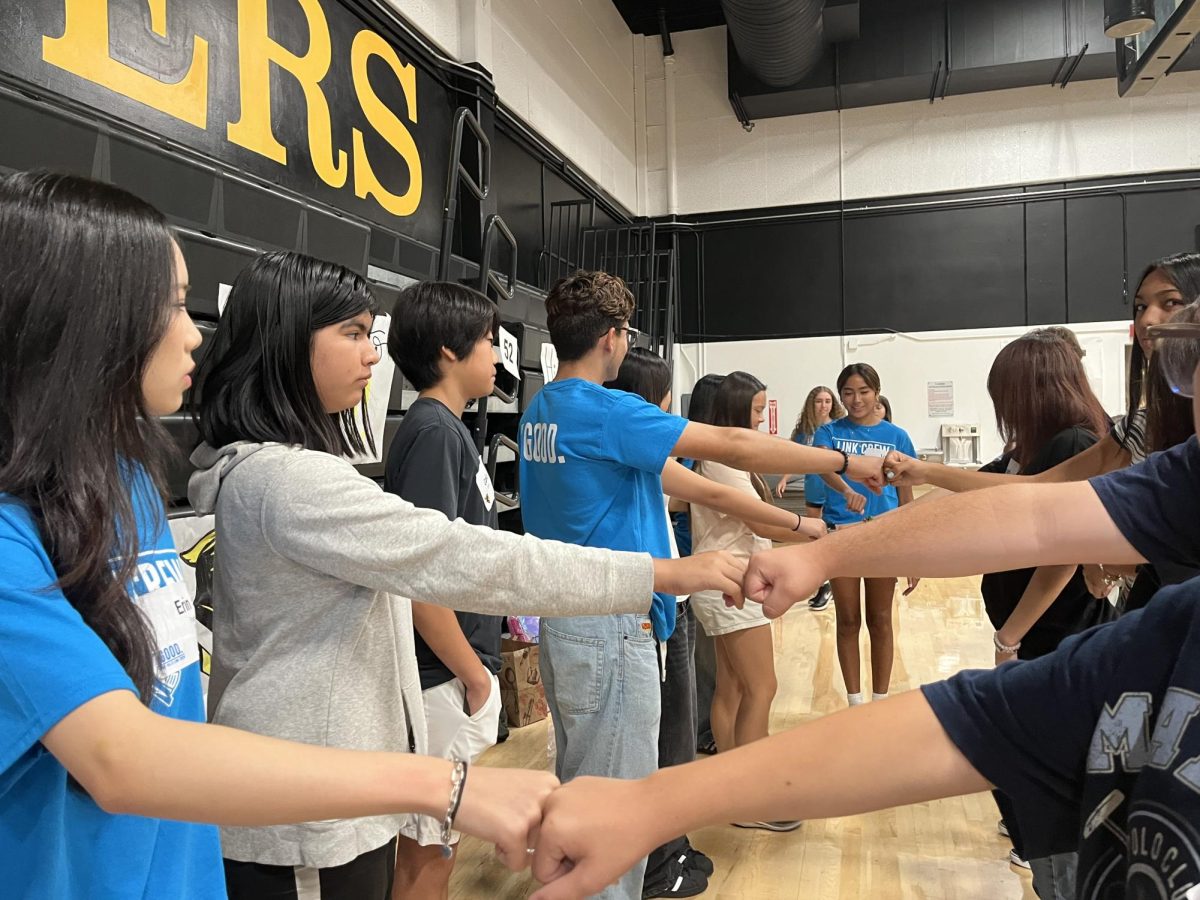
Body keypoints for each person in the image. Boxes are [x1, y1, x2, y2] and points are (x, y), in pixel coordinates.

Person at [0, 170, 568, 900]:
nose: (192, 332)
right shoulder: (284, 479)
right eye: (169, 306)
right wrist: (444, 778)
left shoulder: (128, 484)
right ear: (84, 321)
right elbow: (122, 757)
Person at [523, 311, 1200, 900]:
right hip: (627, 609)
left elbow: (1038, 521)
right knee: (708, 705)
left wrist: (820, 532)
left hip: (622, 607)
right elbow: (1037, 522)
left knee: (696, 711)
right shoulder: (1157, 629)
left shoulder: (548, 411)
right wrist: (821, 533)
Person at [189, 253, 746, 899]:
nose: (370, 356)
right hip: (309, 812)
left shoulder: (289, 471)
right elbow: (461, 560)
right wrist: (663, 572)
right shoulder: (291, 481)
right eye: (349, 333)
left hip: (333, 782)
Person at [517, 270, 884, 900]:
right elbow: (736, 448)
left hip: (569, 619)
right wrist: (844, 460)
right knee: (615, 810)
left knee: (585, 788)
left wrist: (801, 519)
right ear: (612, 338)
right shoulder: (604, 411)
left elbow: (703, 483)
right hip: (610, 626)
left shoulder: (542, 410)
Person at [972, 332, 1114, 892]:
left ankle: (1047, 856)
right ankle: (1036, 848)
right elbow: (976, 492)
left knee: (1026, 748)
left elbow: (1061, 557)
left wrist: (1011, 638)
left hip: (1055, 631)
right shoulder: (1028, 449)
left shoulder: (1072, 443)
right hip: (1036, 632)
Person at [381, 282, 508, 900]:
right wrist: (474, 676)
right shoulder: (433, 432)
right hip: (441, 676)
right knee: (427, 847)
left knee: (439, 841)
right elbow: (420, 579)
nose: (496, 355)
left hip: (454, 670)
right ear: (448, 352)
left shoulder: (448, 429)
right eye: (487, 341)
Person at [689, 372, 815, 833]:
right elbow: (762, 522)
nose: (763, 418)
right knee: (762, 687)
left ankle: (733, 790)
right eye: (759, 410)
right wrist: (812, 532)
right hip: (730, 585)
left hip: (724, 581)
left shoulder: (726, 458)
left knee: (734, 688)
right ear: (738, 409)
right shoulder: (722, 463)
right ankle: (752, 796)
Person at [813, 364, 917, 707]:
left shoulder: (897, 436)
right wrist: (845, 491)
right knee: (848, 619)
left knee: (881, 619)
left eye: (863, 392)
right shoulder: (828, 433)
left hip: (885, 535)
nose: (855, 400)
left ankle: (882, 699)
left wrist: (914, 551)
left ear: (876, 392)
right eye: (848, 393)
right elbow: (824, 467)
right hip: (841, 532)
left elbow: (906, 493)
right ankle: (856, 703)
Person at [777, 385, 844, 610]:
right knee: (816, 535)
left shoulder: (839, 428)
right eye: (819, 401)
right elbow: (791, 457)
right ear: (811, 404)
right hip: (814, 487)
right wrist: (785, 478)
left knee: (835, 535)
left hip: (835, 490)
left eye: (827, 401)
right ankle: (823, 581)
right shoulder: (804, 431)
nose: (823, 405)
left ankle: (834, 581)